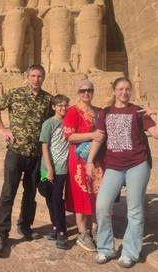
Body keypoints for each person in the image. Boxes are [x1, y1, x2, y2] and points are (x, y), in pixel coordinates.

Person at [87, 77, 158, 268]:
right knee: (102, 205)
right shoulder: (106, 112)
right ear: (114, 90)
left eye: (127, 89)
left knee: (135, 209)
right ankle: (106, 248)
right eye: (120, 89)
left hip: (137, 164)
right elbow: (99, 138)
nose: (124, 92)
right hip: (113, 166)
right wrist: (90, 160)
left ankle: (130, 252)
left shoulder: (138, 111)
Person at [0, 65, 53, 256]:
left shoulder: (47, 99)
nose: (36, 79)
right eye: (33, 76)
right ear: (27, 77)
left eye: (39, 76)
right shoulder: (15, 94)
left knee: (30, 193)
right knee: (8, 192)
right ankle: (1, 233)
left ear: (43, 78)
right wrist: (1, 129)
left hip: (35, 155)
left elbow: (51, 125)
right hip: (16, 152)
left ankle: (25, 226)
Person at [63, 79, 106, 252]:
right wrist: (92, 135)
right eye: (83, 91)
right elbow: (69, 136)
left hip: (97, 160)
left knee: (98, 193)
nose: (86, 93)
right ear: (78, 93)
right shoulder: (72, 112)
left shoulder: (99, 112)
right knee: (81, 193)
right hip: (78, 160)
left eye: (89, 90)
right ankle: (82, 232)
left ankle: (96, 228)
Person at [39, 94, 70, 249]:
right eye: (60, 106)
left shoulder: (69, 123)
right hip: (47, 168)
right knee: (49, 198)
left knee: (57, 198)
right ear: (54, 107)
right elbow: (44, 146)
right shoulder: (48, 124)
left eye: (65, 105)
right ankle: (56, 226)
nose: (63, 108)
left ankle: (62, 232)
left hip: (62, 167)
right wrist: (49, 169)